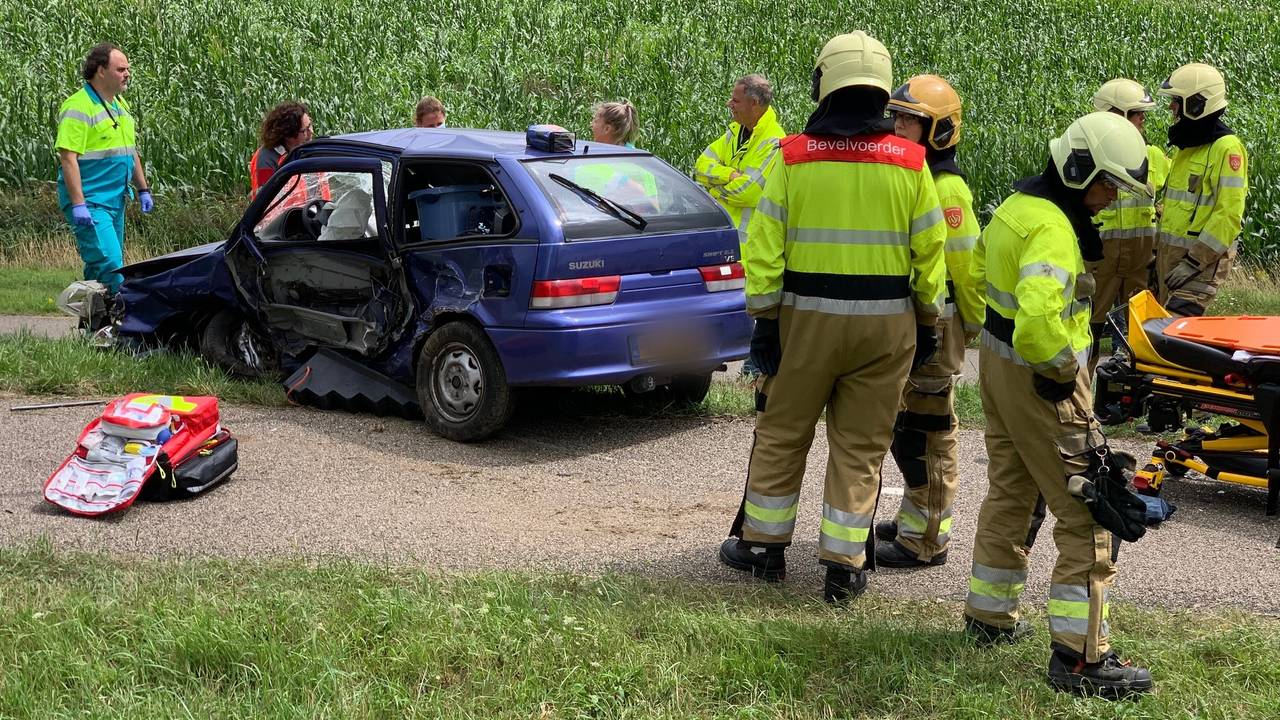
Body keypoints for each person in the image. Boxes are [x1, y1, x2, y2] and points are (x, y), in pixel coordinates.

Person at [718, 31, 947, 603]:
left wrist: (765, 322)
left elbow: (765, 247)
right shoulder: (912, 163)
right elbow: (929, 255)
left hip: (803, 321)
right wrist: (927, 326)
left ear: (824, 85)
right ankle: (844, 566)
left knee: (782, 432)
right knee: (862, 443)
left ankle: (764, 550)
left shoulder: (792, 157)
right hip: (886, 325)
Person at [963, 111, 1155, 698]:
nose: (1108, 201)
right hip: (1042, 381)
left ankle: (988, 616)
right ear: (1078, 171)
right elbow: (1040, 327)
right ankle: (1080, 659)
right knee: (1086, 514)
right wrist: (1061, 373)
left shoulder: (1015, 209)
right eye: (1107, 186)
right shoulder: (1051, 230)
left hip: (997, 373)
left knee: (1012, 492)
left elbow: (975, 279)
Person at [874, 75, 984, 568]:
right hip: (915, 323)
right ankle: (917, 517)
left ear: (940, 131)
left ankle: (928, 540)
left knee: (928, 432)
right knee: (905, 426)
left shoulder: (947, 188)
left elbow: (968, 269)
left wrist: (969, 329)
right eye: (896, 117)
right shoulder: (909, 177)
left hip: (939, 329)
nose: (899, 127)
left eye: (911, 121)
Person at [55, 43, 153, 293]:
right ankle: (122, 326)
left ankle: (94, 326)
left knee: (99, 266)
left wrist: (143, 189)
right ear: (101, 70)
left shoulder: (120, 106)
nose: (127, 74)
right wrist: (78, 204)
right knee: (111, 264)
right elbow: (68, 158)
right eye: (121, 69)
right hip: (91, 202)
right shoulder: (78, 106)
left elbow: (130, 151)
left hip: (115, 200)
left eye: (128, 69)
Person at [1154, 63, 1248, 317]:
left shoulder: (1226, 148)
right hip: (1171, 261)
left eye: (1177, 101)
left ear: (1197, 104)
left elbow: (1228, 216)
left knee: (1173, 335)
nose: (1172, 107)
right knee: (1161, 333)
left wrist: (1194, 262)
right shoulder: (1187, 147)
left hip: (1199, 265)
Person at [1087, 79, 1170, 363]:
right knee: (1088, 333)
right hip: (1100, 262)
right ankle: (1080, 398)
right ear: (1116, 114)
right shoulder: (1090, 157)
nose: (1143, 119)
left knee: (1140, 335)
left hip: (1139, 262)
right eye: (1137, 113)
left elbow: (1171, 201)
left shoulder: (1155, 156)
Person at [693, 74, 786, 249]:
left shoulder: (774, 141)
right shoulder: (734, 133)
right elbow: (699, 167)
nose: (729, 104)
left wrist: (712, 191)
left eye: (735, 101)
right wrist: (730, 174)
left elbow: (747, 191)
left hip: (749, 250)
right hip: (723, 239)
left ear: (754, 103)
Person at [249, 102, 312, 198]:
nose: (311, 131)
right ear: (289, 135)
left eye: (310, 125)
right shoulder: (265, 160)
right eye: (305, 130)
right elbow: (265, 200)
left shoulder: (302, 150)